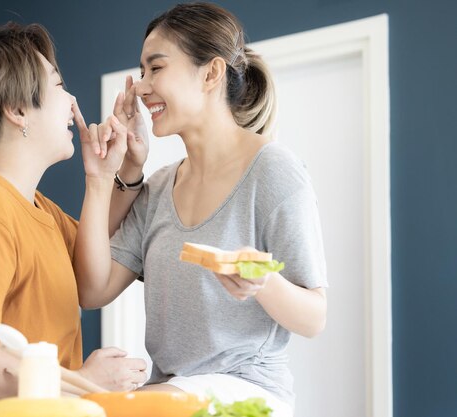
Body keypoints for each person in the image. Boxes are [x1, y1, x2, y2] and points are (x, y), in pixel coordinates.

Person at [74, 3, 328, 416]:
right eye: (141, 73)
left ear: (211, 73)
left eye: (156, 69)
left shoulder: (273, 171)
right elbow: (92, 289)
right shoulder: (156, 188)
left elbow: (314, 317)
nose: (141, 87)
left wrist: (262, 283)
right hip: (172, 392)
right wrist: (110, 175)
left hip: (247, 391)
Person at [0, 22, 146, 417]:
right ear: (18, 110)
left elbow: (95, 256)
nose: (72, 100)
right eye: (58, 85)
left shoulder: (35, 208)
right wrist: (81, 386)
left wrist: (110, 175)